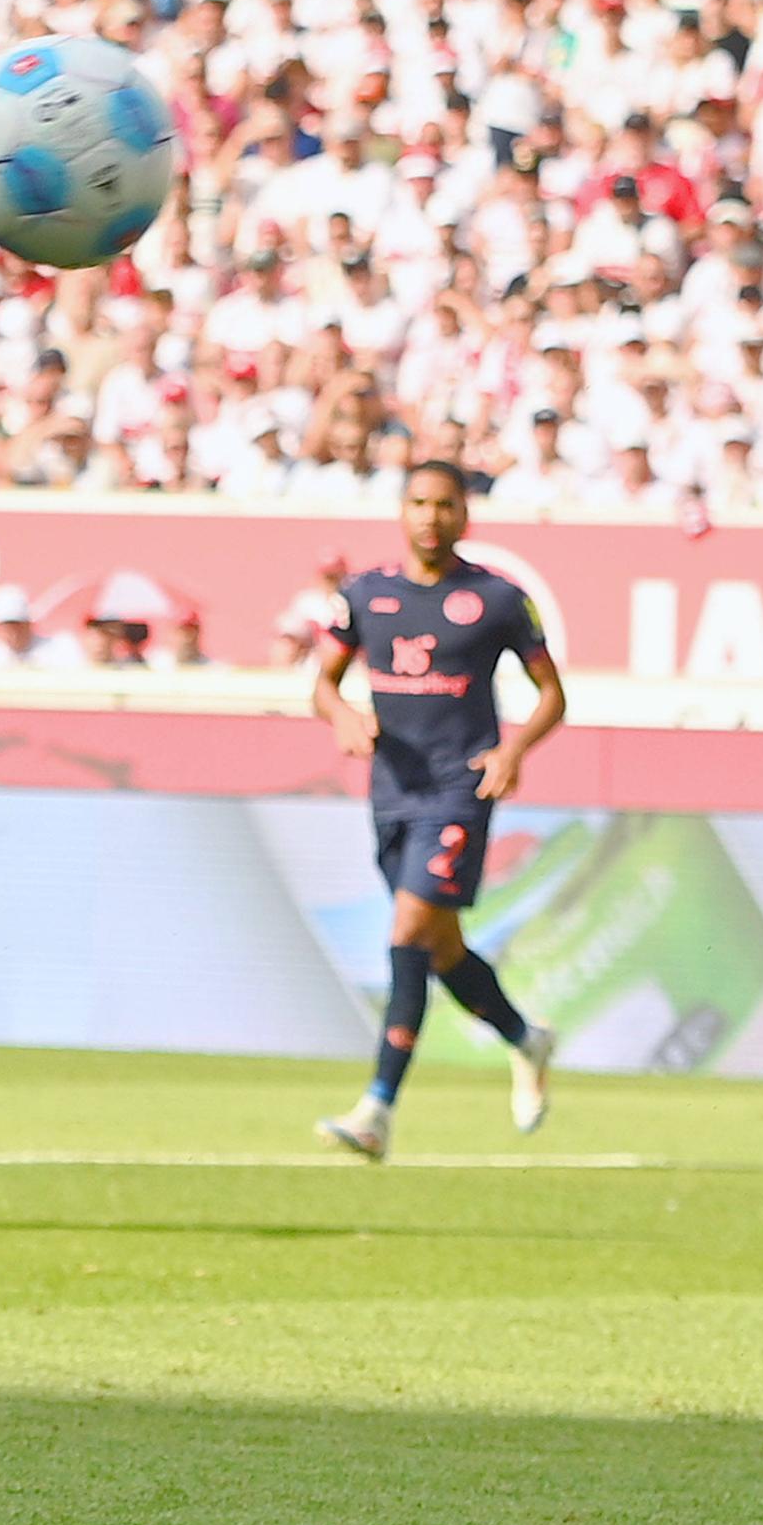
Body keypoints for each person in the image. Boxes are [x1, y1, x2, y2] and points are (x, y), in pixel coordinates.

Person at [309, 460, 566, 1159]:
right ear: (402, 510)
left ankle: (377, 1109)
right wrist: (343, 715)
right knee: (441, 947)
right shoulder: (366, 595)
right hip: (393, 790)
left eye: (444, 504)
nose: (430, 516)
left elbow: (552, 694)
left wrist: (513, 752)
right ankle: (524, 1036)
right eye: (418, 502)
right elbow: (324, 684)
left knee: (409, 928)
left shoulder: (497, 599)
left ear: (464, 514)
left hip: (461, 789)